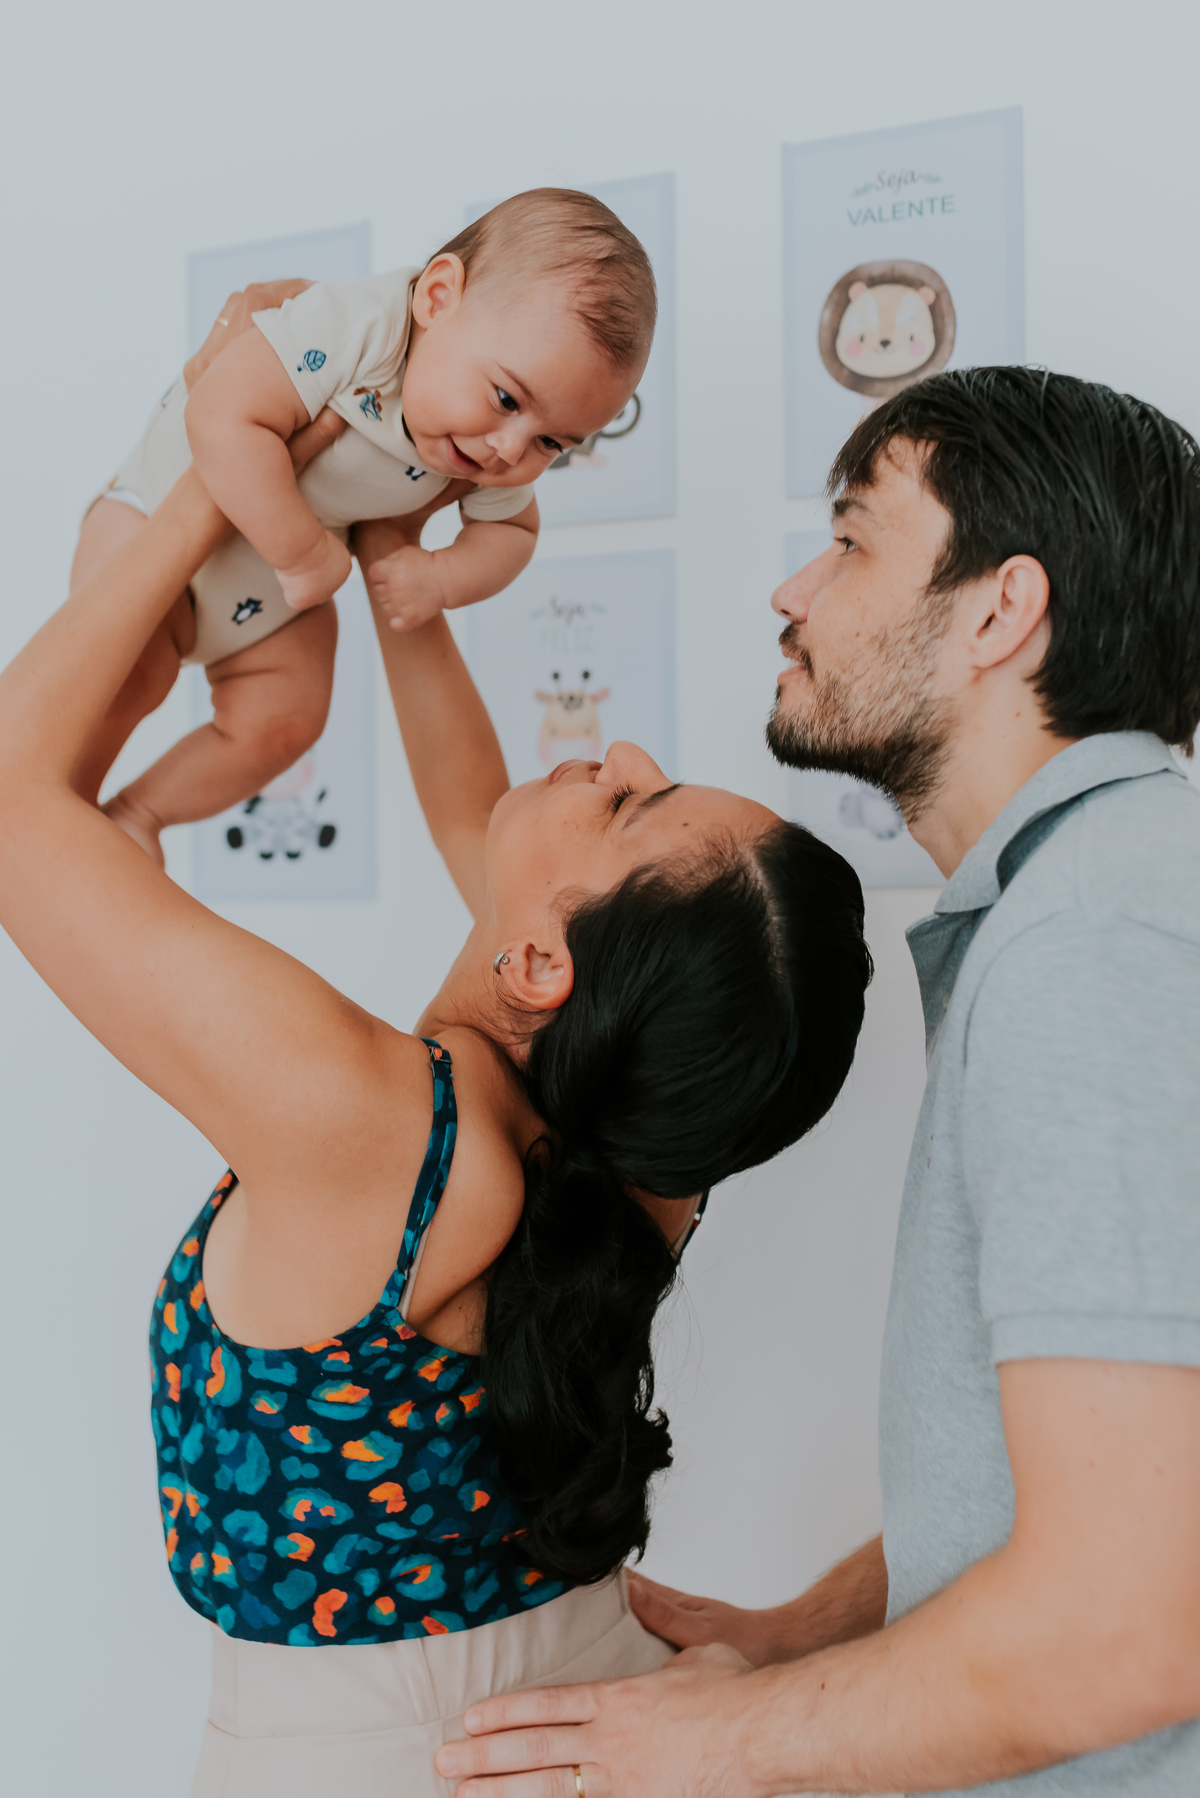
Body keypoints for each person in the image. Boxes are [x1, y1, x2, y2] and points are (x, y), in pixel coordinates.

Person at [0, 370, 871, 1787]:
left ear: (542, 970)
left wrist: (215, 480)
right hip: (590, 1708)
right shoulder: (643, 1138)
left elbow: (9, 796)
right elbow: (493, 833)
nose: (628, 755)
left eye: (636, 802)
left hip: (374, 1759)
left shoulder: (371, 1122)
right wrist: (394, 575)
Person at [437, 366, 1200, 1797]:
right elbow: (1104, 1478)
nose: (796, 588)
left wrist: (717, 1742)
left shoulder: (1092, 943)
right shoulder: (1099, 902)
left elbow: (1129, 1624)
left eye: (851, 541)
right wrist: (801, 1637)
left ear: (998, 610)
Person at [74, 188, 650, 864]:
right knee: (125, 675)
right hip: (152, 517)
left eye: (553, 443)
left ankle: (139, 812)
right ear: (437, 299)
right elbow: (221, 416)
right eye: (505, 398)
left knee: (286, 720)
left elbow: (513, 536)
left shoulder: (482, 457)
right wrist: (301, 554)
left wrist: (439, 575)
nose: (510, 448)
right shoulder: (361, 329)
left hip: (272, 603)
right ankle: (61, 804)